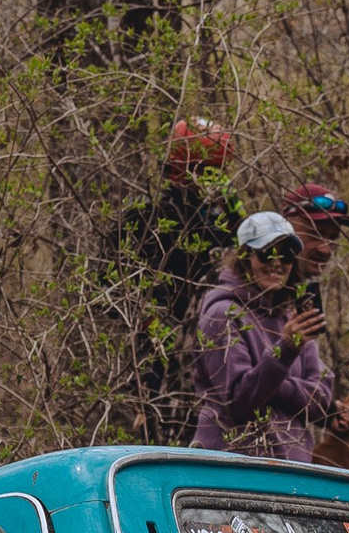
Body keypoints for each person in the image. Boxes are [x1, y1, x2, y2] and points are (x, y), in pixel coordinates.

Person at [127, 119, 245, 435]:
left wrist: (233, 209)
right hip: (158, 346)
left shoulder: (216, 225)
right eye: (209, 171)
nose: (214, 180)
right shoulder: (147, 218)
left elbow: (251, 254)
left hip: (207, 347)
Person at [192, 211, 333, 459]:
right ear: (246, 257)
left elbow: (321, 400)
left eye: (287, 254)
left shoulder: (291, 319)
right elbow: (239, 403)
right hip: (235, 464)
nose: (277, 263)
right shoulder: (222, 314)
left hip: (292, 471)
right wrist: (285, 351)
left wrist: (275, 388)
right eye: (267, 252)